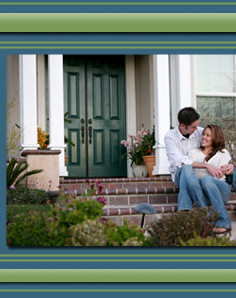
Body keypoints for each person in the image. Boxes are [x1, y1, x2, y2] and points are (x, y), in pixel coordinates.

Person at [164, 107, 236, 212]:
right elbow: (179, 161)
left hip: (199, 177)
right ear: (183, 126)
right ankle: (185, 208)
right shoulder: (170, 137)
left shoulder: (200, 131)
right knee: (187, 168)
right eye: (193, 127)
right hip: (181, 174)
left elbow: (218, 146)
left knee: (234, 170)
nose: (197, 129)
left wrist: (231, 164)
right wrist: (207, 166)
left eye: (197, 125)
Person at [187, 125, 232, 233]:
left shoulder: (222, 152)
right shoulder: (193, 152)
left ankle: (224, 221)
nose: (203, 137)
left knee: (207, 180)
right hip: (201, 194)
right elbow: (191, 172)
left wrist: (200, 169)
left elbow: (220, 174)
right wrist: (208, 168)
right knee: (191, 180)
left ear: (216, 138)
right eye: (203, 134)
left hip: (221, 190)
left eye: (208, 135)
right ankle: (206, 221)